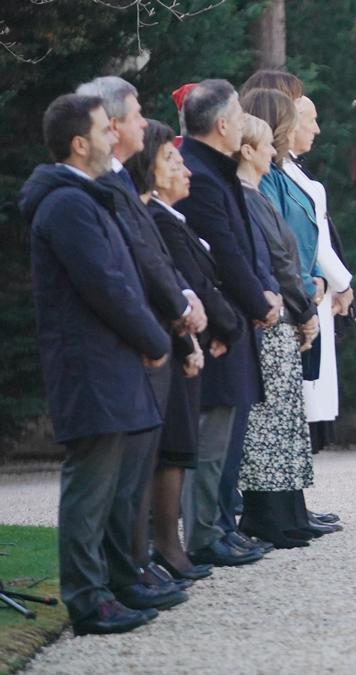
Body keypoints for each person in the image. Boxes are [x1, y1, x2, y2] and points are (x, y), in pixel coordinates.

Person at [21, 94, 171, 634]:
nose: (115, 139)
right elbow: (105, 287)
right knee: (90, 486)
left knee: (112, 487)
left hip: (111, 360)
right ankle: (87, 599)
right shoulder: (66, 205)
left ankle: (108, 586)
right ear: (79, 143)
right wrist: (155, 337)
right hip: (89, 365)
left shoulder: (86, 196)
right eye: (106, 131)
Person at [76, 76, 198, 607]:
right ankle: (109, 581)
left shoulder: (118, 183)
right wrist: (169, 322)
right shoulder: (94, 191)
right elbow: (122, 273)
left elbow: (150, 259)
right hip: (129, 343)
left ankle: (134, 568)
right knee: (113, 475)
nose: (144, 124)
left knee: (135, 468)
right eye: (133, 116)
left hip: (149, 337)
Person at [129, 119, 245, 580]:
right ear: (150, 171)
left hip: (189, 341)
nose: (185, 171)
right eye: (171, 161)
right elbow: (189, 283)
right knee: (177, 450)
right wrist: (216, 325)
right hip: (172, 345)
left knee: (184, 448)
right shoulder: (158, 218)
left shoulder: (170, 219)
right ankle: (163, 549)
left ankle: (171, 548)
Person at [176, 79, 280, 566]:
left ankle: (217, 526)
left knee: (227, 433)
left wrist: (260, 298)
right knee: (212, 438)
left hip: (234, 318)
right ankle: (203, 535)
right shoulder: (199, 175)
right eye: (238, 116)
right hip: (219, 323)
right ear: (221, 125)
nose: (243, 123)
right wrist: (258, 302)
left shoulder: (214, 169)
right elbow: (222, 254)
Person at [239, 95, 333, 546]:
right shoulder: (253, 193)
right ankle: (270, 515)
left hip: (290, 302)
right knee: (271, 424)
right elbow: (277, 253)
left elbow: (289, 245)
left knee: (286, 421)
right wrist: (301, 304)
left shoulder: (263, 189)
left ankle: (288, 511)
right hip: (274, 310)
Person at [285, 94, 355, 453]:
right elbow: (307, 239)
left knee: (313, 398)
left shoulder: (297, 170)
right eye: (309, 120)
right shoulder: (283, 173)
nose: (316, 128)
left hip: (319, 285)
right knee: (302, 399)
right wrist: (342, 282)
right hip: (307, 286)